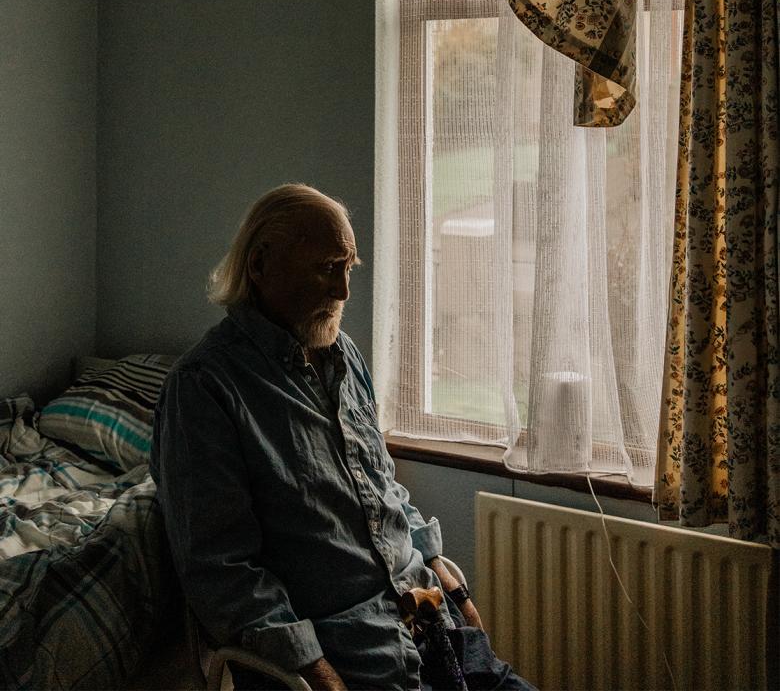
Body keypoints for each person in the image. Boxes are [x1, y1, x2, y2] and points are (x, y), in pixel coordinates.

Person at [151, 184, 532, 691]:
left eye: (349, 267)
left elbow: (379, 488)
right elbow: (223, 574)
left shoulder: (343, 354)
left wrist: (445, 576)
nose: (344, 291)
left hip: (432, 624)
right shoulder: (204, 387)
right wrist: (318, 672)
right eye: (327, 267)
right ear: (261, 265)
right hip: (354, 660)